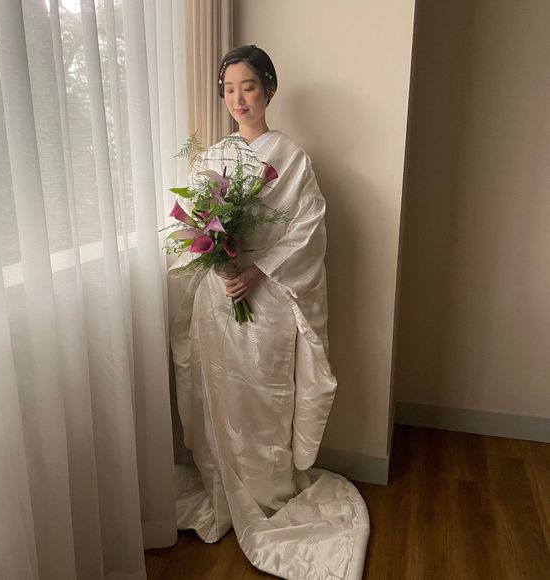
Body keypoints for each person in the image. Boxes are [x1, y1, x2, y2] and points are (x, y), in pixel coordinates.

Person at [170, 45, 369, 580]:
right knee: (219, 391)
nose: (238, 98)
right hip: (218, 297)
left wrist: (256, 271)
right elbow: (193, 224)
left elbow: (307, 228)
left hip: (268, 297)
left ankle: (267, 490)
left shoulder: (292, 156)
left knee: (263, 396)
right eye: (228, 89)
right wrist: (217, 261)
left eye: (249, 86)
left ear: (269, 90)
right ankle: (219, 484)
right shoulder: (211, 157)